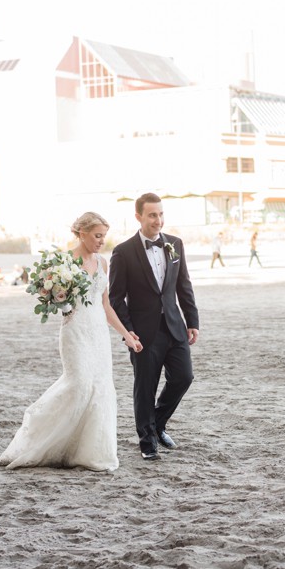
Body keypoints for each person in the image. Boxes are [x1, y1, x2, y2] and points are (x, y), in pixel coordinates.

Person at [0, 212, 143, 471]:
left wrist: (127, 335)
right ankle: (39, 441)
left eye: (104, 236)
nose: (101, 241)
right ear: (81, 233)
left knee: (100, 388)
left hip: (98, 334)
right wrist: (58, 297)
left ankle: (89, 453)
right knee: (79, 384)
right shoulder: (64, 262)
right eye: (97, 236)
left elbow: (106, 305)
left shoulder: (103, 263)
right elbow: (52, 296)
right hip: (75, 331)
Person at [109, 193, 199, 461]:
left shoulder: (175, 244)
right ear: (138, 217)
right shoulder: (122, 252)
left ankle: (157, 424)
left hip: (174, 326)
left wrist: (192, 320)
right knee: (145, 386)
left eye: (160, 214)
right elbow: (115, 298)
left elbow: (184, 284)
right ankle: (147, 440)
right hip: (143, 332)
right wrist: (128, 330)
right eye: (151, 215)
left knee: (184, 377)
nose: (157, 220)